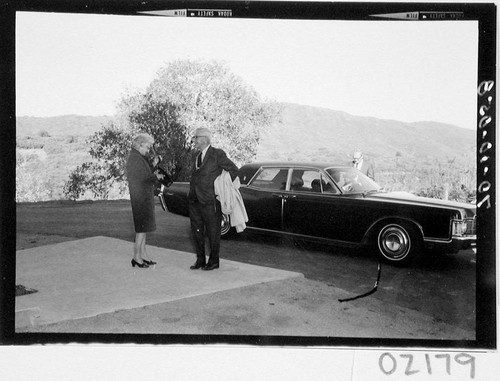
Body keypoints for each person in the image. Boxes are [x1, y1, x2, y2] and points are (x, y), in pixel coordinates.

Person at [188, 128, 238, 271]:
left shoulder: (217, 154)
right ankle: (200, 260)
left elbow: (234, 170)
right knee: (196, 232)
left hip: (210, 201)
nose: (194, 140)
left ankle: (214, 261)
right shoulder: (196, 156)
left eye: (196, 137)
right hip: (194, 200)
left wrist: (222, 187)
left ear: (204, 139)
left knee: (213, 232)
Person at [126, 133, 164, 268]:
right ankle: (137, 257)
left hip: (142, 196)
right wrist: (157, 176)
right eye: (147, 147)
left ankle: (143, 255)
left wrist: (154, 165)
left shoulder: (138, 157)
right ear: (140, 144)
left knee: (144, 228)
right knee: (141, 229)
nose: (148, 150)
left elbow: (145, 173)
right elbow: (144, 177)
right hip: (140, 197)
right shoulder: (135, 158)